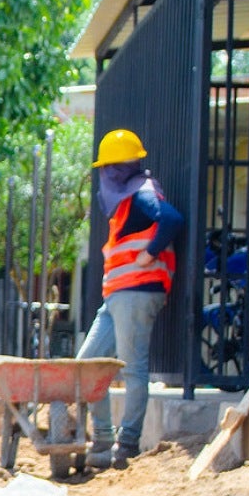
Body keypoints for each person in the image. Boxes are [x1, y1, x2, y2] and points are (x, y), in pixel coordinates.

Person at [79, 128, 183, 470]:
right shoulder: (128, 199)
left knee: (133, 369)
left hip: (137, 293)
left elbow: (170, 218)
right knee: (89, 364)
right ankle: (104, 438)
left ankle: (127, 444)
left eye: (108, 168)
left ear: (119, 168)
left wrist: (149, 253)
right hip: (118, 295)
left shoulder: (141, 193)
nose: (105, 176)